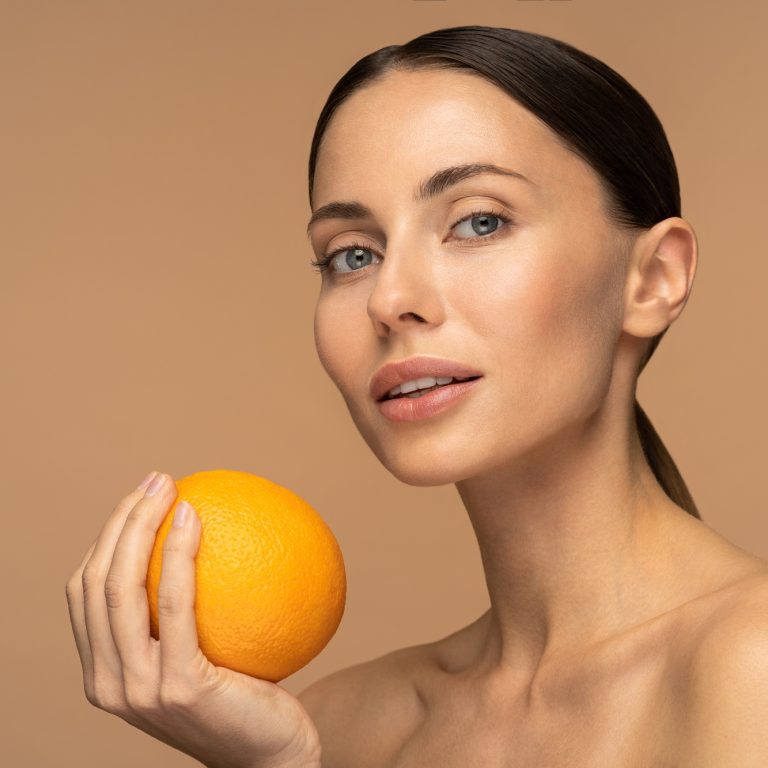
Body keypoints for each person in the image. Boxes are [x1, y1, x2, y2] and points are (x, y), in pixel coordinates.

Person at [66, 25, 768, 768]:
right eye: (353, 254)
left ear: (654, 279)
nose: (389, 298)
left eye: (479, 221)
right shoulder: (333, 727)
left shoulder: (750, 667)